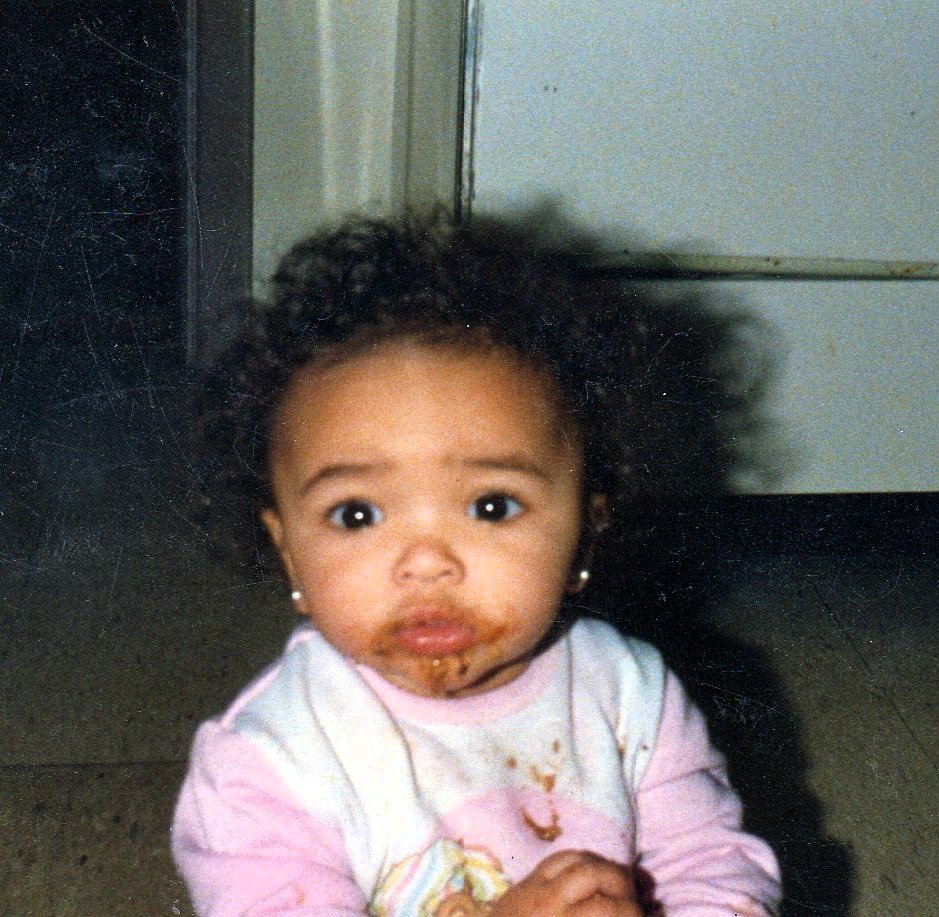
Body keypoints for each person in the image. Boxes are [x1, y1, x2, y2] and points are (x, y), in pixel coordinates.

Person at [172, 214, 782, 916]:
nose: (427, 562)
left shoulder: (628, 696)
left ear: (586, 532)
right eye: (357, 514)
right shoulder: (270, 760)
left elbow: (713, 864)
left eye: (492, 506)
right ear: (288, 552)